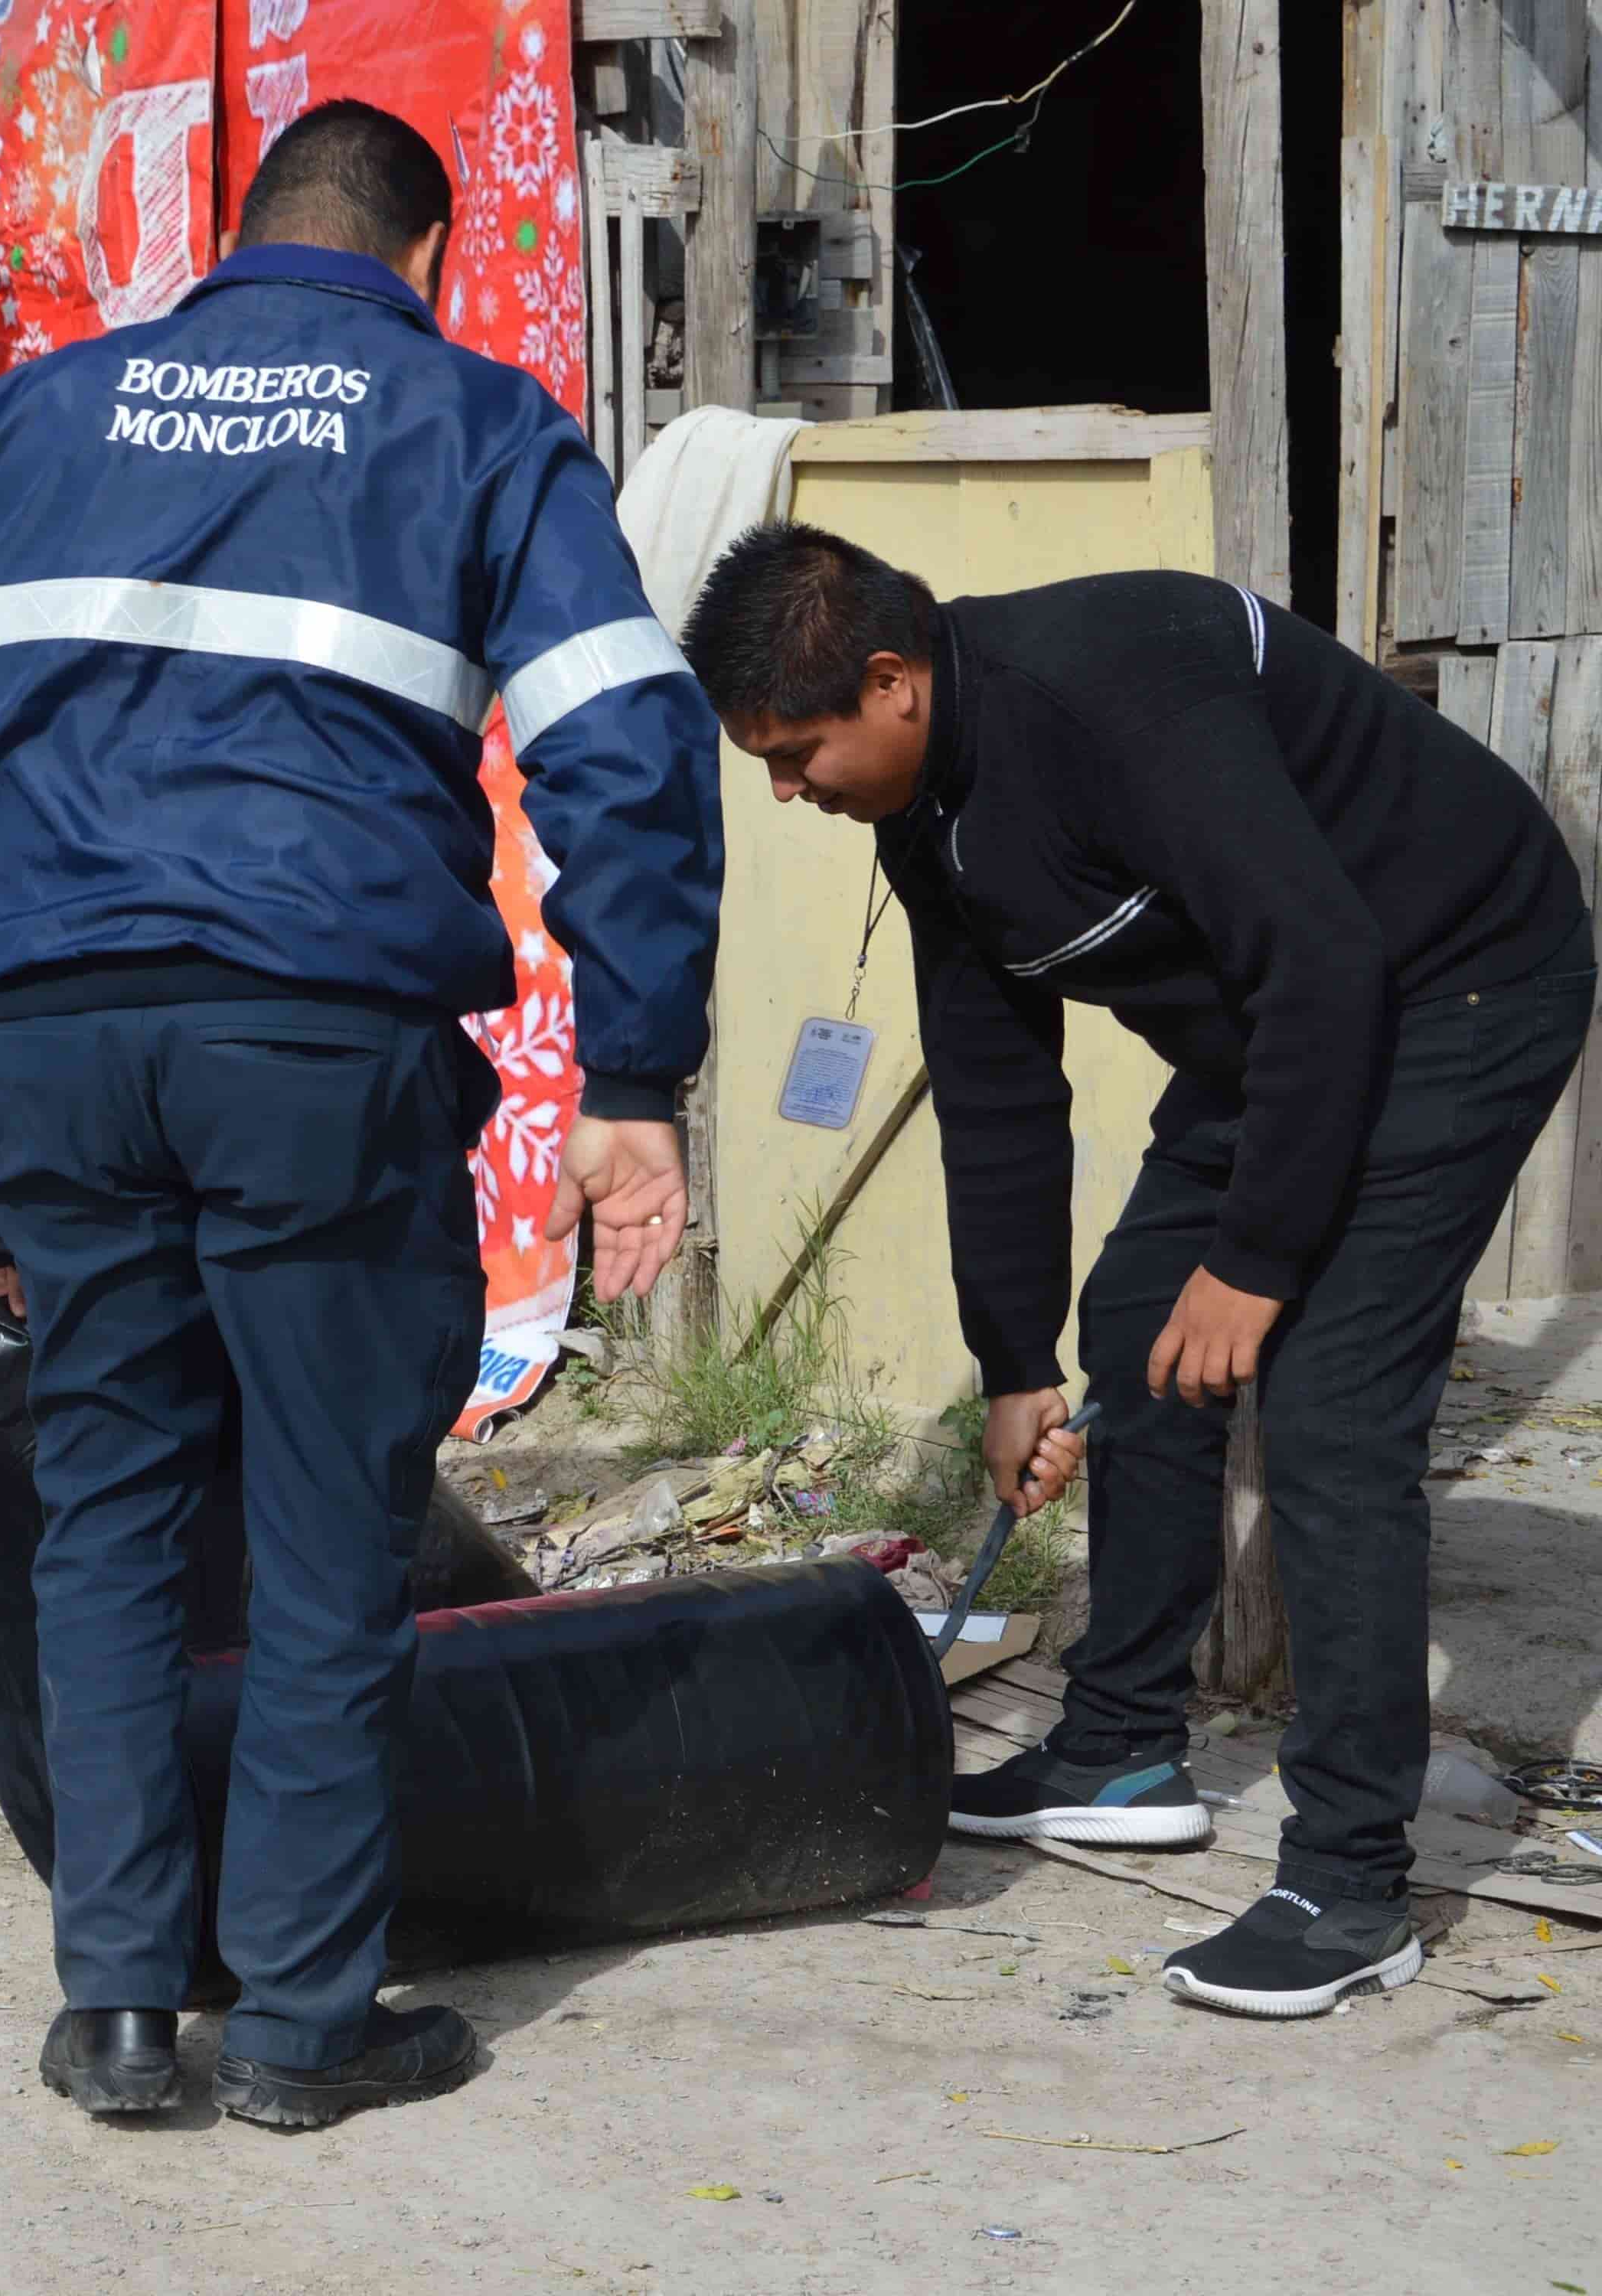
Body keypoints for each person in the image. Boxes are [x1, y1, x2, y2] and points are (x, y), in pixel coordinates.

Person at [0, 101, 723, 2128]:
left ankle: (118, 2005)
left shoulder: (27, 424)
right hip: (318, 1044)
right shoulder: (469, 424)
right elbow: (628, 749)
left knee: (109, 1508)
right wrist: (635, 1079)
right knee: (325, 1528)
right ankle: (299, 2022)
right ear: (428, 258)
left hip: (51, 1038)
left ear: (236, 239)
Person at [681, 521, 1594, 2019]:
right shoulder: (922, 816)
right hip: (1275, 1022)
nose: (788, 793)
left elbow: (1328, 960)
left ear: (893, 682)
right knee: (1130, 1331)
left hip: (1455, 979)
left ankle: (1354, 1881)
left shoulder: (1109, 697)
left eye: (796, 753)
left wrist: (1257, 1260)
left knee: (1331, 1411)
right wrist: (1015, 1364)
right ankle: (1120, 1749)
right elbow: (996, 1090)